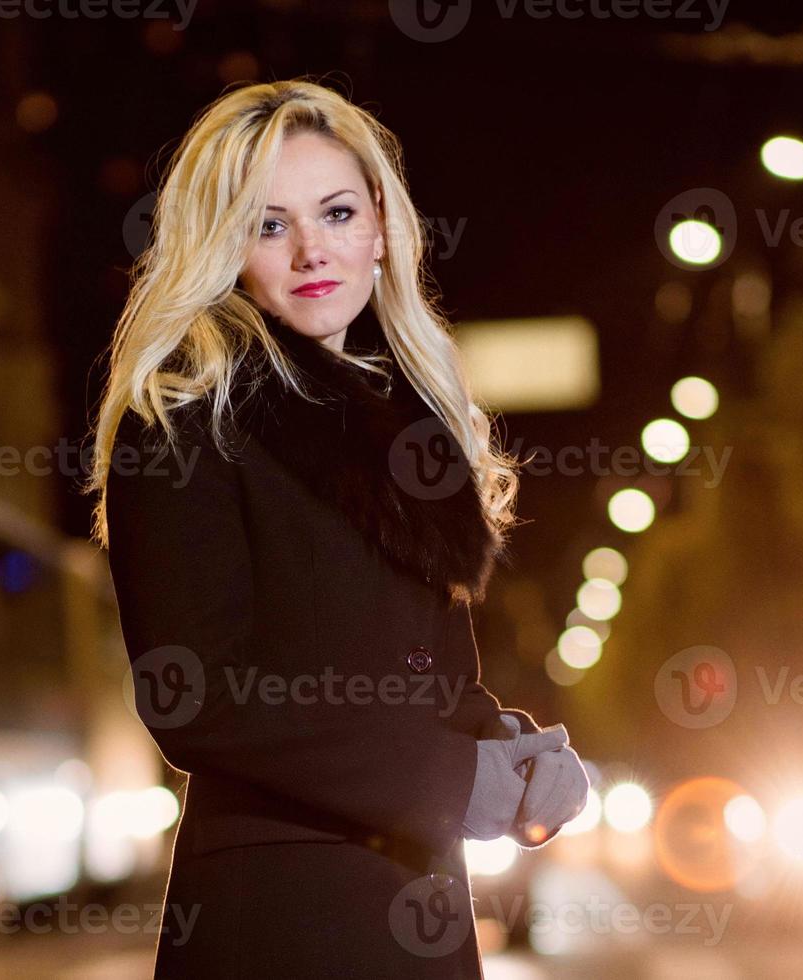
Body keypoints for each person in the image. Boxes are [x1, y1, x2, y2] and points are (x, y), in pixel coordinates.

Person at [85, 78, 589, 979]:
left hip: (420, 898)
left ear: (382, 229)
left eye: (337, 211)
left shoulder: (409, 419)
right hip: (280, 912)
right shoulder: (181, 418)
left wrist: (505, 752)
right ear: (223, 247)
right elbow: (193, 698)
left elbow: (423, 678)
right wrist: (449, 780)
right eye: (268, 223)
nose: (312, 249)